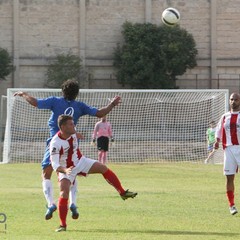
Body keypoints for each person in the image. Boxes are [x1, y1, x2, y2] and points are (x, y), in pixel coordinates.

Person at [13, 79, 121, 220]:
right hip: (71, 144)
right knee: (71, 173)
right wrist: (112, 103)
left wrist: (24, 94)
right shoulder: (79, 106)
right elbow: (100, 113)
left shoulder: (54, 101)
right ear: (77, 93)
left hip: (55, 143)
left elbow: (35, 102)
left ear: (62, 91)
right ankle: (73, 203)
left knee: (46, 174)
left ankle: (51, 203)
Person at [51, 115, 137, 232]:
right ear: (63, 127)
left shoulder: (72, 133)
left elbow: (73, 135)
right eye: (71, 124)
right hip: (66, 168)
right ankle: (63, 225)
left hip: (80, 161)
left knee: (103, 168)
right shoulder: (55, 143)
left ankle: (122, 192)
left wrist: (76, 134)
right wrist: (65, 170)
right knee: (64, 193)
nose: (74, 126)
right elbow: (55, 164)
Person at [214, 92, 240, 215]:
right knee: (229, 177)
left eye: (236, 99)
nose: (233, 101)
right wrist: (217, 141)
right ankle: (231, 205)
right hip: (229, 149)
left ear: (239, 101)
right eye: (231, 99)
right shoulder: (225, 116)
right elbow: (219, 130)